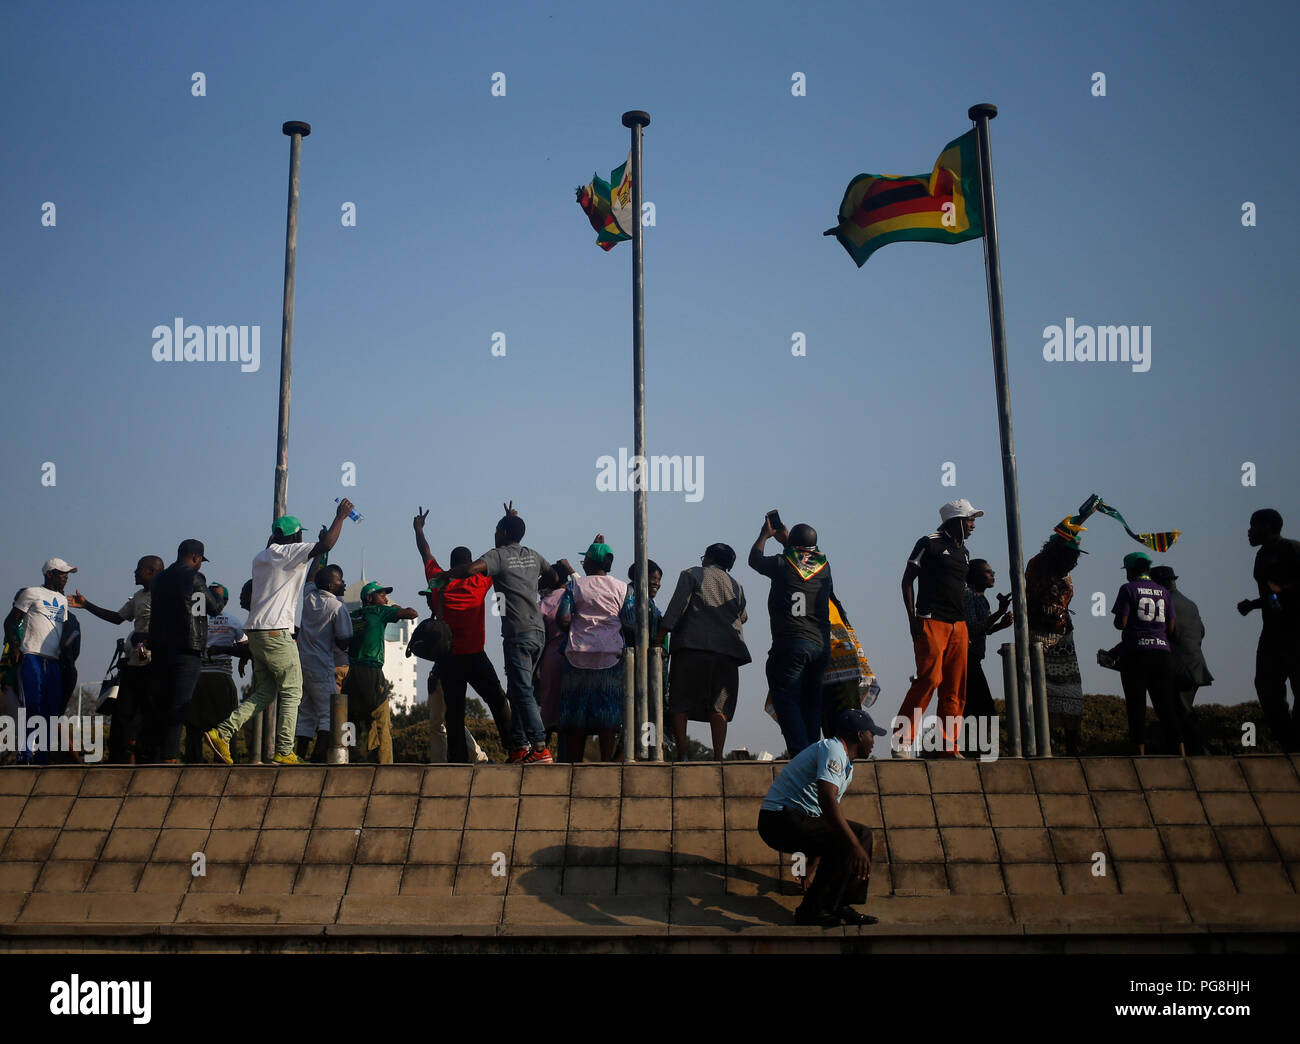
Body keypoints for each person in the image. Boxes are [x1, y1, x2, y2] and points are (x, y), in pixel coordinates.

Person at [204, 500, 353, 766]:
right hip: (276, 633)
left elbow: (308, 564)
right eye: (300, 535)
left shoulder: (261, 557)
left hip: (256, 633)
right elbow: (327, 545)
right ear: (294, 537)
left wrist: (300, 544)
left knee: (266, 692)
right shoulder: (289, 552)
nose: (301, 539)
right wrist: (340, 516)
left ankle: (222, 732)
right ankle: (284, 751)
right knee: (293, 691)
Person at [438, 501, 568, 764]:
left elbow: (472, 569)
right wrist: (531, 587)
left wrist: (448, 576)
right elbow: (554, 577)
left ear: (504, 533)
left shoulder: (498, 556)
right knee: (519, 689)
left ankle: (540, 747)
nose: (494, 535)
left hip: (517, 633)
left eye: (497, 530)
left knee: (522, 691)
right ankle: (519, 747)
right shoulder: (534, 554)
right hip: (538, 633)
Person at [758, 708, 885, 927]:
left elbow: (823, 819)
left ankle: (838, 904)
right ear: (859, 735)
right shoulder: (833, 749)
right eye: (871, 734)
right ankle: (811, 911)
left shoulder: (847, 766)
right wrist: (853, 845)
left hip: (795, 819)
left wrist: (811, 867)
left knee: (858, 835)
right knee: (854, 837)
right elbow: (826, 799)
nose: (874, 741)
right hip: (778, 818)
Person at [414, 507, 511, 762]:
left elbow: (425, 552)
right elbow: (498, 555)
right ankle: (513, 747)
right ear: (470, 564)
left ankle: (457, 760)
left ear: (451, 563)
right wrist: (508, 522)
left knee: (454, 713)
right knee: (497, 700)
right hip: (475, 656)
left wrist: (419, 529)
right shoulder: (478, 581)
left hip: (448, 659)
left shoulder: (437, 579)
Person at [894, 500, 979, 758]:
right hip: (930, 621)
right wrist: (912, 619)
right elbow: (907, 580)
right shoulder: (928, 543)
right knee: (929, 680)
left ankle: (948, 746)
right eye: (969, 520)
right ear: (954, 521)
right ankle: (902, 740)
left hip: (958, 626)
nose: (973, 525)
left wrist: (966, 630)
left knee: (954, 688)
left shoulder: (964, 551)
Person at [749, 516, 835, 757]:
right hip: (820, 645)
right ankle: (812, 753)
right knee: (811, 703)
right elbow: (803, 561)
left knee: (786, 699)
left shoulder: (781, 564)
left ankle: (801, 755)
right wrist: (788, 541)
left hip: (790, 643)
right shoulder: (825, 568)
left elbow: (754, 560)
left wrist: (764, 536)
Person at [659, 542, 750, 761]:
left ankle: (682, 755)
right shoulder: (736, 585)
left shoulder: (692, 574)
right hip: (727, 653)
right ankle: (718, 756)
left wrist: (658, 639)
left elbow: (675, 610)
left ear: (707, 558)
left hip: (692, 648)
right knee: (719, 705)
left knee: (680, 702)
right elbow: (743, 617)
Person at [67, 555, 164, 762]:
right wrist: (86, 605)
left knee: (150, 714)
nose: (135, 572)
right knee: (123, 712)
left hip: (155, 665)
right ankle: (119, 758)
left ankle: (150, 759)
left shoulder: (166, 596)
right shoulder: (138, 596)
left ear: (151, 571)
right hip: (134, 664)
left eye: (139, 568)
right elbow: (117, 618)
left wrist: (150, 638)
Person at [146, 540, 222, 763]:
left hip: (160, 648)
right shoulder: (194, 578)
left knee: (161, 702)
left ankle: (156, 753)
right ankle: (170, 755)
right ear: (196, 558)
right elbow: (209, 608)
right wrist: (217, 595)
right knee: (180, 703)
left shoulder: (159, 578)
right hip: (187, 649)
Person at [556, 538, 627, 762]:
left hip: (577, 656)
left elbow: (564, 618)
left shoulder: (574, 586)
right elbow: (631, 619)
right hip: (610, 658)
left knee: (576, 717)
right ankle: (606, 763)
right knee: (608, 716)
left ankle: (575, 764)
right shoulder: (622, 588)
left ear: (589, 562)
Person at [1109, 551, 1184, 755]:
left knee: (1136, 706)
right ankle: (1181, 753)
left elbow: (1121, 623)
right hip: (1162, 653)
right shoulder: (1163, 591)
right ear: (1148, 569)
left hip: (1136, 654)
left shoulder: (1127, 589)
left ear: (1131, 570)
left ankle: (1139, 754)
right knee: (1167, 706)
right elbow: (1171, 627)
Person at [1237, 509, 1300, 751]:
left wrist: (1279, 593)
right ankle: (1290, 743)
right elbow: (1272, 596)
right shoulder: (1261, 556)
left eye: (1253, 526)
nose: (1249, 531)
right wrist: (1255, 604)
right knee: (1266, 686)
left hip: (1295, 631)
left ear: (1267, 526)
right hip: (1272, 632)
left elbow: (1283, 592)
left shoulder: (1292, 549)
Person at [1025, 524, 1087, 754]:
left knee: (1071, 693)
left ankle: (1072, 746)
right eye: (1071, 555)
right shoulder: (1040, 567)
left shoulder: (1064, 573)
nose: (1075, 561)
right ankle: (1043, 745)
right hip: (1038, 636)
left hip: (1063, 640)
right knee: (1040, 694)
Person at [5, 560, 75, 764]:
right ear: (49, 574)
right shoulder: (31, 593)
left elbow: (60, 630)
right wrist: (15, 647)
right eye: (62, 573)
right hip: (32, 656)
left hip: (53, 661)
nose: (66, 577)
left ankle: (42, 758)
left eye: (67, 574)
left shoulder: (62, 601)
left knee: (51, 710)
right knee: (33, 706)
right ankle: (24, 754)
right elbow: (9, 622)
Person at [344, 581, 418, 764]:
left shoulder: (353, 616)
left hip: (351, 673)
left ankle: (350, 758)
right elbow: (412, 613)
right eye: (381, 595)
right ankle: (385, 766)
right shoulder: (379, 611)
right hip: (371, 671)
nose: (385, 599)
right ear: (369, 598)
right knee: (381, 720)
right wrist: (394, 607)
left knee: (352, 720)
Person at [295, 562, 352, 762]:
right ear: (330, 585)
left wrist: (319, 553)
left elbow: (310, 578)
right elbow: (344, 638)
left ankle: (299, 754)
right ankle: (318, 756)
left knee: (307, 711)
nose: (343, 583)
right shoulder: (336, 606)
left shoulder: (308, 596)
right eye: (340, 580)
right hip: (322, 665)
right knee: (328, 712)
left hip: (302, 664)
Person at [1150, 565, 1209, 755]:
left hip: (1178, 667)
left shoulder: (1165, 602)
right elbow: (1201, 631)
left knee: (1181, 713)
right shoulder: (1190, 603)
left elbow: (1164, 632)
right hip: (1196, 665)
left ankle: (1200, 754)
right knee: (1182, 711)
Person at [962, 560, 1011, 731]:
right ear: (975, 576)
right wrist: (999, 613)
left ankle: (974, 750)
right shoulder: (968, 594)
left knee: (976, 710)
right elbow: (973, 627)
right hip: (966, 658)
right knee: (981, 710)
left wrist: (1000, 624)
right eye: (988, 572)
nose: (992, 575)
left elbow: (985, 630)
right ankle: (974, 751)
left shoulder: (981, 598)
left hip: (974, 657)